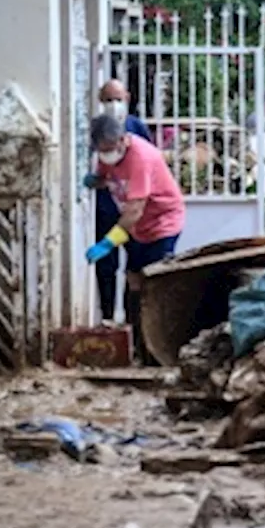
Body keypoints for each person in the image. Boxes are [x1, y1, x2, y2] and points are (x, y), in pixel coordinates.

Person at [85, 114, 185, 361]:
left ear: (122, 141)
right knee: (134, 284)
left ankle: (155, 353)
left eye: (109, 150)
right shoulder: (108, 156)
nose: (105, 155)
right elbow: (107, 178)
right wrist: (95, 181)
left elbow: (134, 210)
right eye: (101, 151)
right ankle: (136, 347)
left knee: (152, 285)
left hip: (161, 224)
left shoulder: (141, 157)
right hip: (137, 228)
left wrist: (108, 242)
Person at [88, 80, 151, 323]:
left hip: (132, 211)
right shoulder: (96, 128)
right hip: (106, 208)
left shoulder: (136, 128)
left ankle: (131, 322)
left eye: (118, 99)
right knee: (106, 266)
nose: (113, 105)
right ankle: (107, 317)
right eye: (107, 99)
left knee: (135, 269)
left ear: (127, 97)